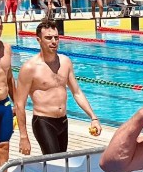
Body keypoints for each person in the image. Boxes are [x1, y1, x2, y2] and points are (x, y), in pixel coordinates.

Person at [15, 19, 101, 156]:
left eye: (56, 37)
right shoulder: (29, 68)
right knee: (54, 162)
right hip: (43, 121)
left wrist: (93, 117)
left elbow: (77, 92)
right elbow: (20, 104)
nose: (54, 41)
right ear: (38, 40)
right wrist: (23, 137)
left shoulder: (65, 62)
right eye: (48, 38)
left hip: (63, 121)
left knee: (61, 162)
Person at [0, 13, 15, 172]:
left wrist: (17, 104)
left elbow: (10, 79)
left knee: (4, 146)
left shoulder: (7, 49)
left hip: (4, 105)